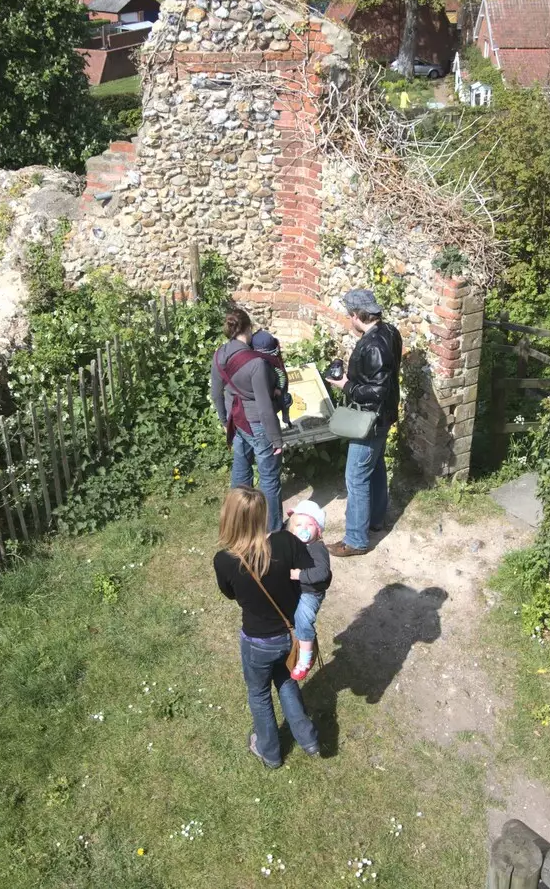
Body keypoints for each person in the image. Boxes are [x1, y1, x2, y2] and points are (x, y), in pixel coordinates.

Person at [213, 487, 320, 768]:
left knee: (259, 694)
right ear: (263, 515)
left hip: (257, 641)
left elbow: (231, 595)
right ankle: (308, 738)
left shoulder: (225, 561)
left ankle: (270, 752)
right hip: (288, 635)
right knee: (285, 681)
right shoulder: (286, 542)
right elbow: (309, 576)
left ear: (230, 518)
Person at [331, 288, 403, 557]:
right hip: (384, 416)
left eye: (348, 315)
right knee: (374, 467)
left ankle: (355, 540)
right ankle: (375, 520)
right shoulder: (390, 331)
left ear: (355, 315)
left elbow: (376, 391)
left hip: (370, 419)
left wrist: (345, 385)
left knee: (356, 477)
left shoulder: (373, 345)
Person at [210, 308, 285, 532]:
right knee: (269, 477)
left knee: (241, 470)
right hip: (257, 424)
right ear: (248, 328)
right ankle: (273, 529)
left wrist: (225, 422)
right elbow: (264, 407)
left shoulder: (219, 354)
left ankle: (236, 521)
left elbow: (216, 393)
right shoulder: (256, 363)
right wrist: (277, 440)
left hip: (236, 420)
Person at [285, 499, 331, 681]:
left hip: (310, 592)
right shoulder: (294, 544)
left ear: (318, 530)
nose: (304, 528)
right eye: (298, 524)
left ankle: (304, 659)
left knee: (303, 619)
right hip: (298, 589)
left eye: (310, 525)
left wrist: (300, 575)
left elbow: (322, 572)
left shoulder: (317, 548)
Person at [250, 329, 296, 429]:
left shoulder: (272, 361)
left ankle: (286, 418)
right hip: (266, 392)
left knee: (284, 401)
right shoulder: (273, 354)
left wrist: (279, 388)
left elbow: (281, 375)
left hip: (276, 391)